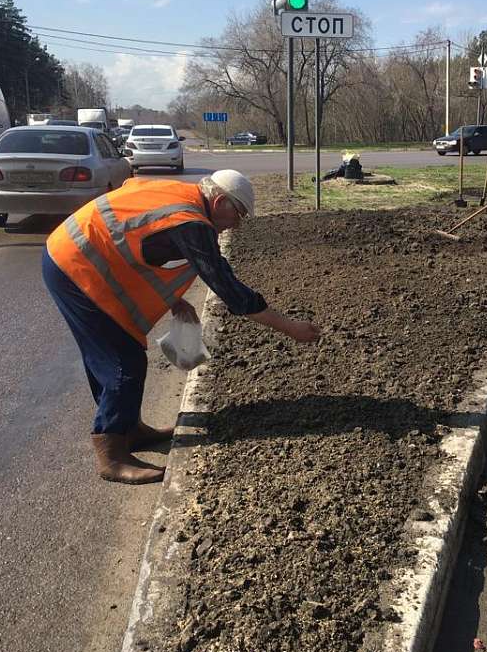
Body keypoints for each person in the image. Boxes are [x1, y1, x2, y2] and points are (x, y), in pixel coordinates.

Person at [42, 169, 322, 485]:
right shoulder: (192, 223)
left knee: (120, 351)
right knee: (123, 363)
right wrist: (290, 328)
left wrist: (175, 299)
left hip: (74, 254)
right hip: (75, 266)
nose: (238, 223)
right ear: (219, 202)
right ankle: (111, 453)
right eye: (238, 213)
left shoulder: (182, 198)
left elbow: (140, 238)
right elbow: (230, 291)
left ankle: (130, 429)